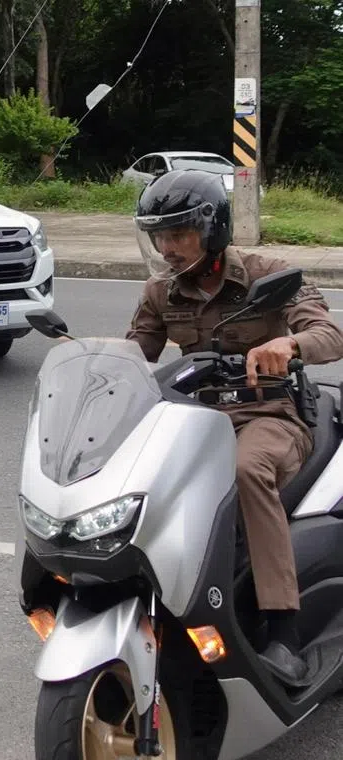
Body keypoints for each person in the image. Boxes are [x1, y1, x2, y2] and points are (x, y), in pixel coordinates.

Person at [125, 169, 343, 684]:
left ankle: (283, 632)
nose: (167, 248)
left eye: (179, 234)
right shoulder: (161, 291)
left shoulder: (271, 273)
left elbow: (329, 333)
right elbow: (135, 355)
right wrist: (91, 361)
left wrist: (289, 344)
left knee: (246, 472)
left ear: (212, 229)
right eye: (159, 236)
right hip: (194, 418)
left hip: (269, 412)